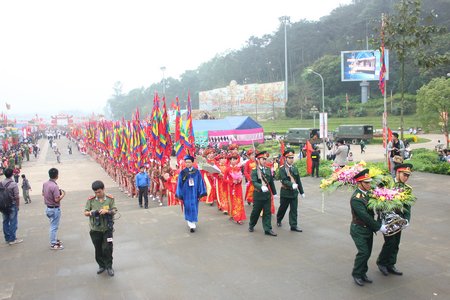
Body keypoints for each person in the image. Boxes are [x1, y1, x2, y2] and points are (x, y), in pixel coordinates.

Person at [350, 169, 387, 286]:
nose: (369, 185)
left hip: (368, 229)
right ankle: (356, 274)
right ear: (359, 183)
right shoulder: (356, 198)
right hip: (359, 229)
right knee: (363, 252)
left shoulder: (369, 193)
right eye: (366, 183)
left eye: (369, 182)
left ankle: (363, 273)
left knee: (368, 252)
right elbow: (365, 217)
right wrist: (379, 226)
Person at [376, 163, 413, 277]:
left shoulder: (406, 188)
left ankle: (391, 264)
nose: (406, 177)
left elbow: (407, 206)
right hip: (386, 218)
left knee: (396, 242)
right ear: (398, 172)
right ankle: (381, 262)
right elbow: (378, 199)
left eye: (408, 175)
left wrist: (407, 219)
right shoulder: (387, 183)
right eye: (404, 175)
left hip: (399, 219)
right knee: (390, 242)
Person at [84, 180, 117, 277]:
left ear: (103, 189)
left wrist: (107, 211)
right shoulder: (91, 200)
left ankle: (109, 266)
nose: (97, 194)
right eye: (95, 192)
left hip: (107, 229)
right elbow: (85, 212)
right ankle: (101, 265)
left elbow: (114, 210)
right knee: (98, 248)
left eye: (99, 192)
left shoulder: (110, 199)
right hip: (95, 230)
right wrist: (92, 213)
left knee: (108, 247)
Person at [248, 151, 277, 236]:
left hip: (267, 195)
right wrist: (261, 186)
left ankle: (268, 229)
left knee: (267, 212)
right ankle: (251, 224)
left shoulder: (268, 169)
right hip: (258, 195)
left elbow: (271, 182)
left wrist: (274, 193)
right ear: (258, 160)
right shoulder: (254, 170)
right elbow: (254, 182)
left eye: (265, 159)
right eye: (262, 159)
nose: (264, 161)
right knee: (256, 212)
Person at [175, 155, 207, 233]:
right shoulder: (183, 172)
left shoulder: (197, 172)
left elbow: (200, 183)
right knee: (188, 207)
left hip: (195, 194)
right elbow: (179, 184)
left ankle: (193, 221)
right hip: (186, 194)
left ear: (192, 163)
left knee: (195, 207)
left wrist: (201, 192)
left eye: (189, 162)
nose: (187, 164)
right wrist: (180, 194)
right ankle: (190, 223)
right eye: (186, 162)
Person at [276, 149, 304, 232]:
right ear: (286, 158)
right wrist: (292, 184)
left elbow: (298, 180)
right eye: (289, 158)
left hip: (294, 193)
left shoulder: (295, 168)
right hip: (286, 192)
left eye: (292, 157)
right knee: (283, 208)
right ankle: (279, 219)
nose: (291, 159)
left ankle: (293, 225)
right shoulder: (282, 169)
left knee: (294, 209)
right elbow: (284, 180)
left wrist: (301, 192)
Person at [42, 168, 66, 250]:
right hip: (54, 208)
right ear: (57, 176)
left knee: (53, 225)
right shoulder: (55, 186)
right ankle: (53, 243)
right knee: (54, 227)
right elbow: (56, 199)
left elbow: (43, 193)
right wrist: (63, 194)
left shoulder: (45, 184)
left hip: (48, 208)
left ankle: (54, 239)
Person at [2, 168, 22, 245]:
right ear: (12, 174)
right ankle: (12, 239)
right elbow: (17, 197)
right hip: (12, 204)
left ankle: (7, 237)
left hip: (3, 205)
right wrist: (17, 206)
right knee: (13, 221)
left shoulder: (1, 183)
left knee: (5, 221)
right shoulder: (13, 184)